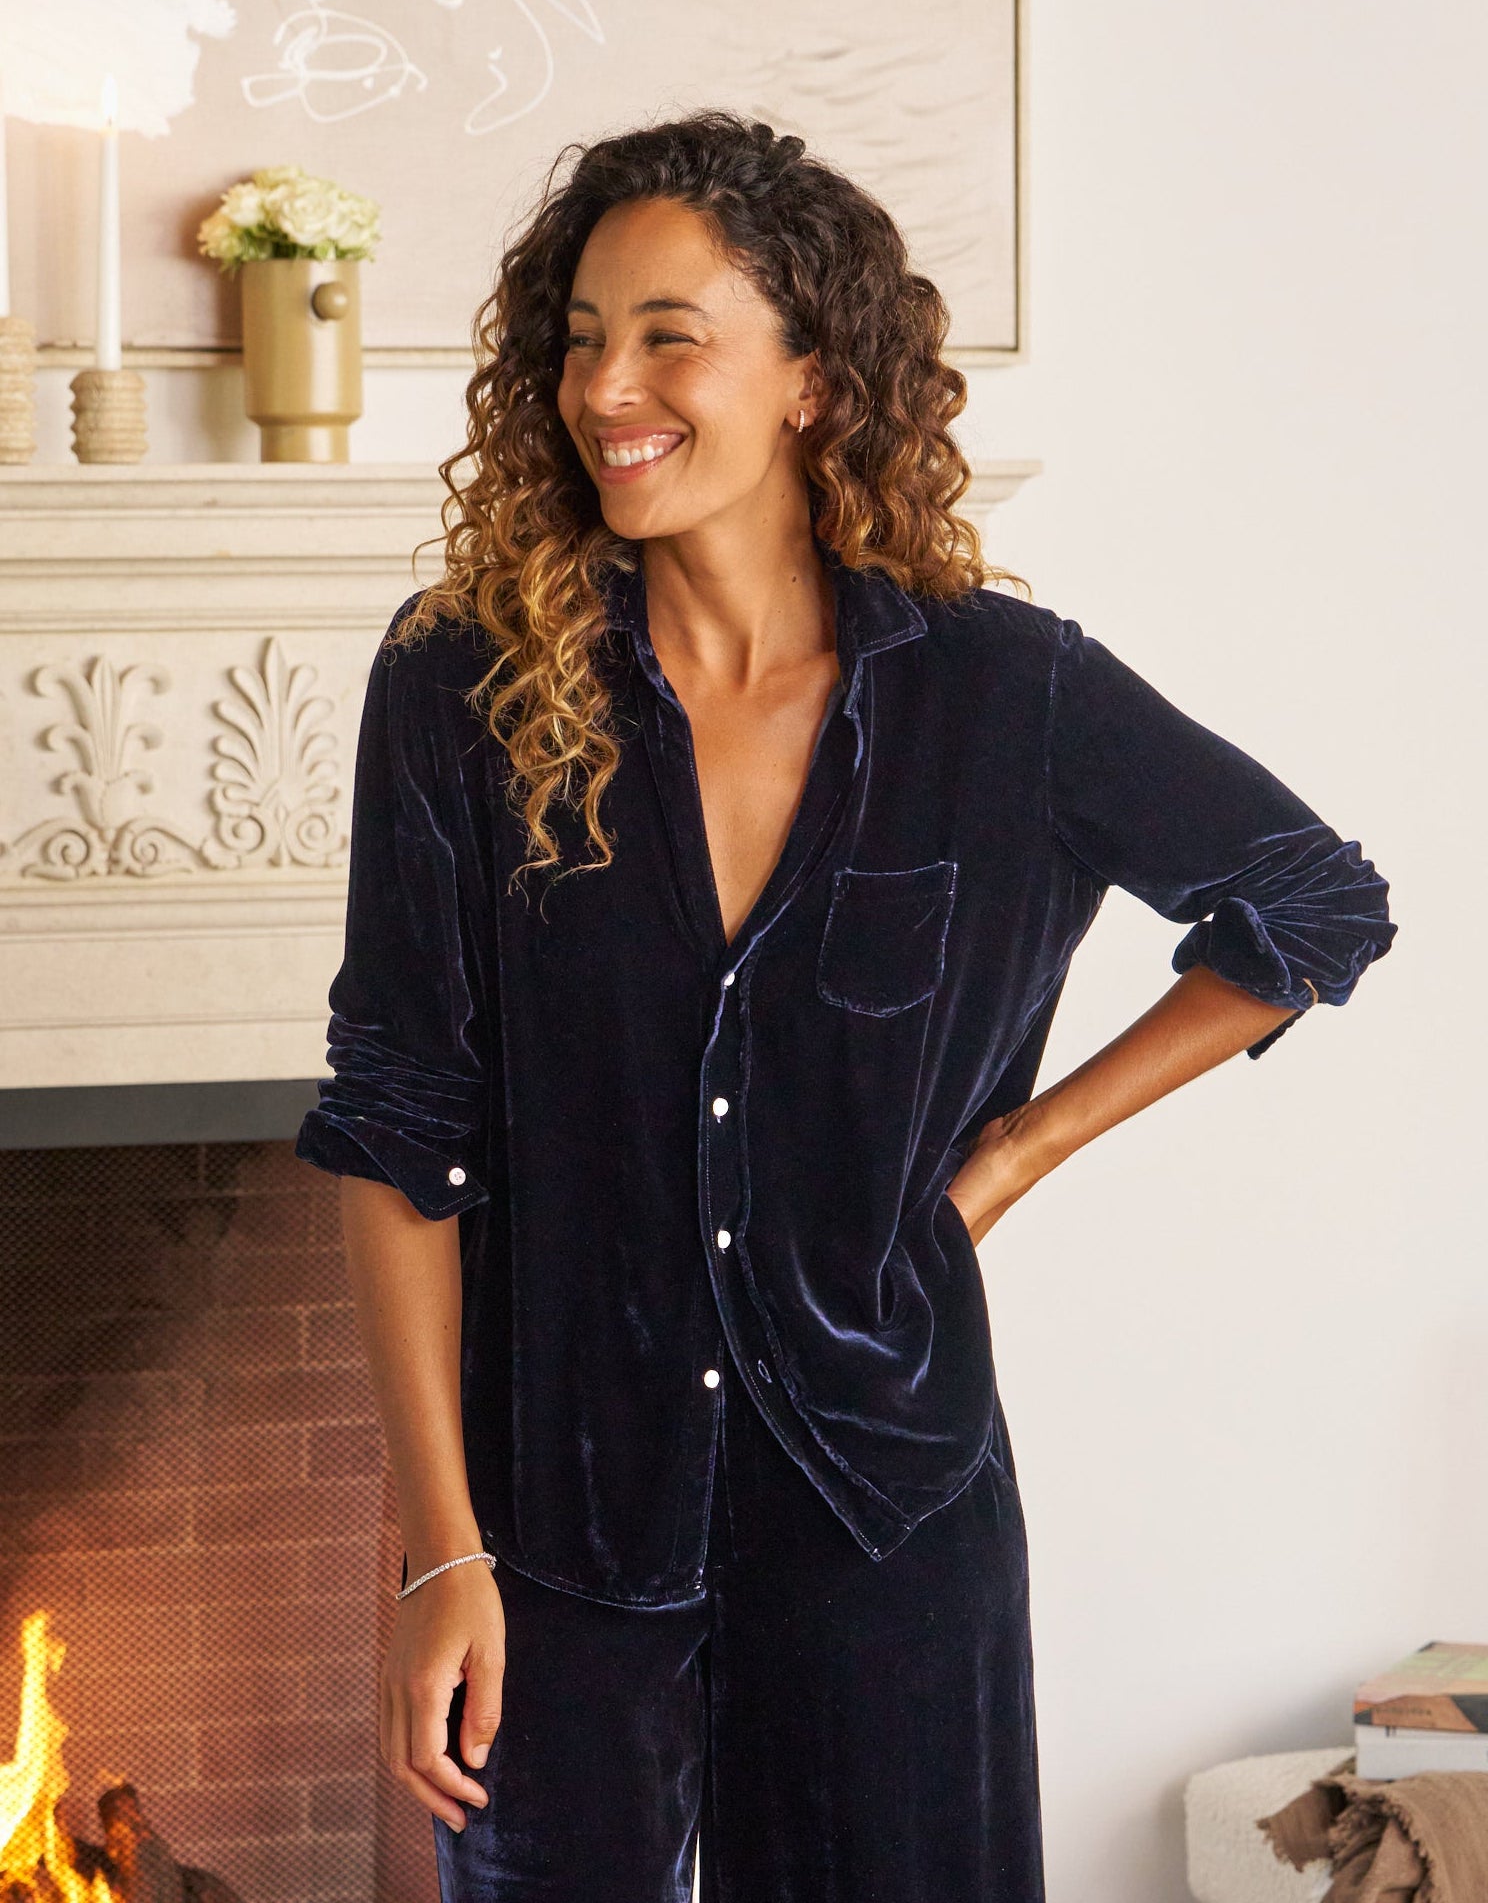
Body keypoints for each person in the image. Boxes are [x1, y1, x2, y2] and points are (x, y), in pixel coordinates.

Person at [294, 111, 1396, 1903]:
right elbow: (397, 1126)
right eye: (579, 335)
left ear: (812, 376)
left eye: (671, 333)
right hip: (560, 1542)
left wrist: (1011, 1157)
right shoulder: (461, 690)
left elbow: (1314, 904)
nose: (606, 386)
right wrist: (441, 1556)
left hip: (886, 1516)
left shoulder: (999, 693)